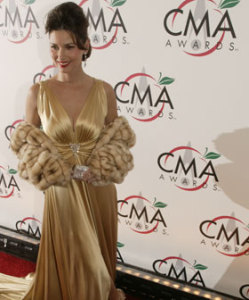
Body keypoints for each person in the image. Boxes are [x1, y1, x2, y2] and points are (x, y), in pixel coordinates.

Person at [1, 2, 133, 299]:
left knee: (98, 263)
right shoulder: (38, 93)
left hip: (97, 187)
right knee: (76, 258)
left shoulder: (104, 91)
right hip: (62, 189)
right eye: (54, 47)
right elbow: (28, 146)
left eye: (69, 47)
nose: (60, 56)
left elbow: (115, 141)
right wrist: (59, 169)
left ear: (86, 45)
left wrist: (98, 168)